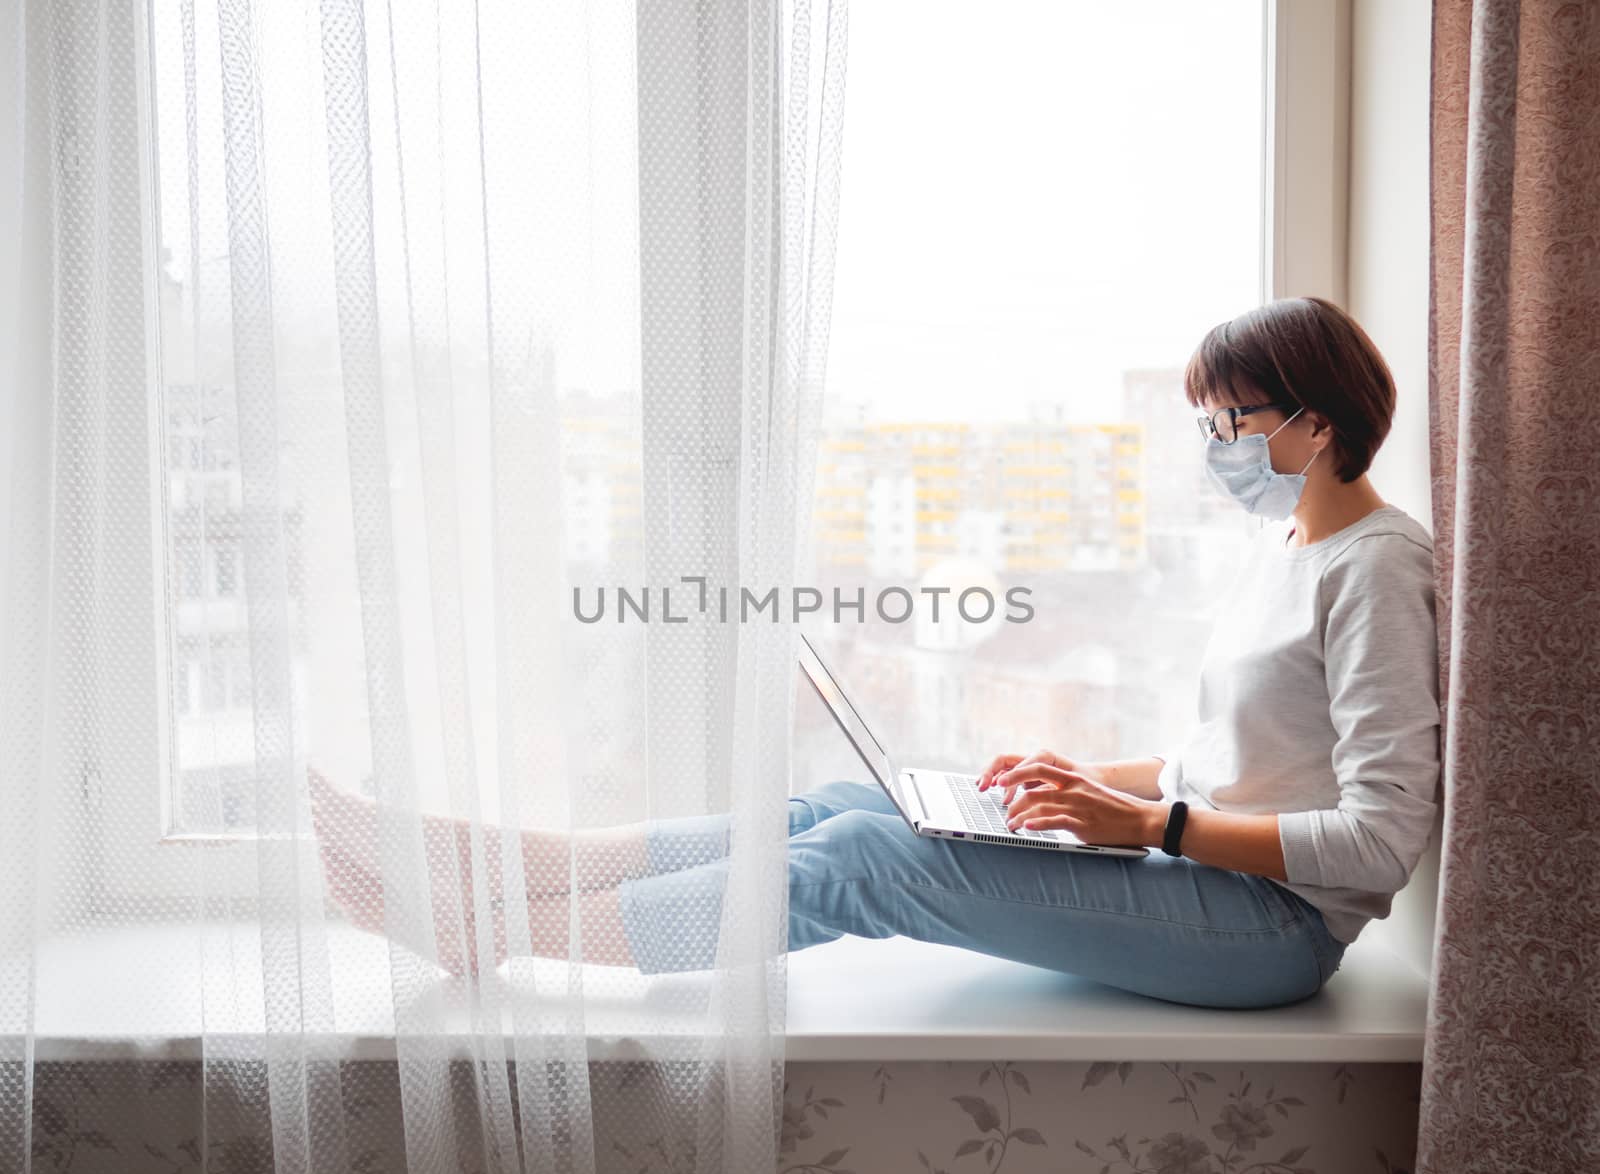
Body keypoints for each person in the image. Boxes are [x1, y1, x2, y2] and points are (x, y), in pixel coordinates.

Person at [312, 296, 1442, 1010]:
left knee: (871, 861)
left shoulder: (1378, 566)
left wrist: (1150, 825)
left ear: (1317, 424)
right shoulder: (1286, 545)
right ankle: (473, 856)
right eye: (1205, 426)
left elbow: (1383, 838)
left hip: (1267, 932)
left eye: (1229, 426)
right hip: (1192, 867)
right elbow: (1238, 752)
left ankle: (487, 930)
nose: (1214, 450)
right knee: (844, 805)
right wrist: (1085, 782)